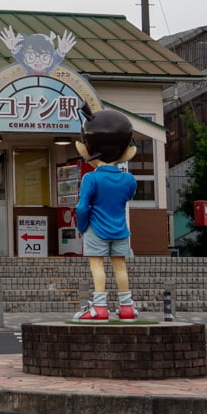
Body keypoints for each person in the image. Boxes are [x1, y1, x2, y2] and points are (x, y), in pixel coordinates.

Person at [73, 105, 138, 321]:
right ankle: (126, 307)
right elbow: (128, 197)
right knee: (120, 266)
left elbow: (82, 207)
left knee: (97, 264)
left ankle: (99, 308)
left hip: (96, 228)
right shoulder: (128, 179)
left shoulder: (91, 178)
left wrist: (82, 226)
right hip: (120, 228)